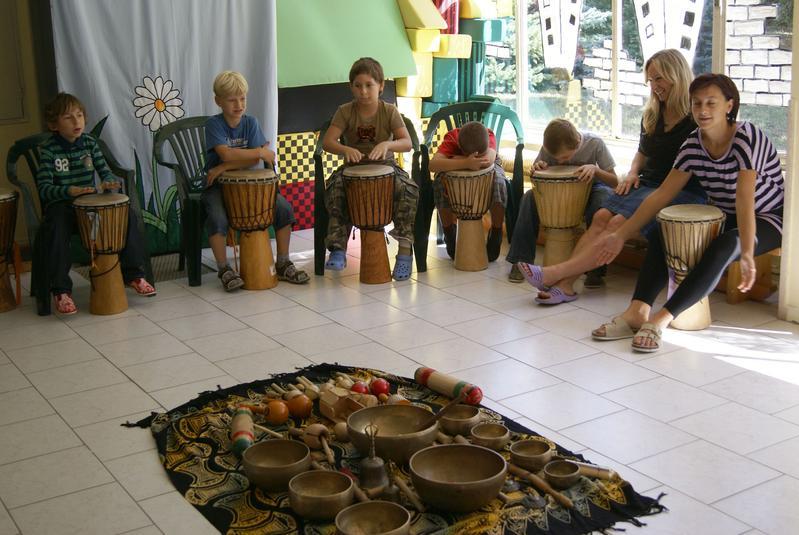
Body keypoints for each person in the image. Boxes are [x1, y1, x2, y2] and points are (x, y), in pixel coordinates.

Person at [591, 73, 784, 352]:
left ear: (729, 105)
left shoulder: (746, 137)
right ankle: (637, 311)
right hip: (725, 213)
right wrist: (621, 235)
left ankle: (661, 319)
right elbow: (662, 195)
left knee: (725, 244)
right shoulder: (693, 144)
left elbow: (745, 199)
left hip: (769, 217)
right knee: (663, 230)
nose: (703, 110)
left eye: (711, 103)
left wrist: (745, 253)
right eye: (697, 103)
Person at [516, 49, 706, 303]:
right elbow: (642, 152)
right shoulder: (653, 113)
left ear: (677, 75)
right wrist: (632, 173)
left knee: (616, 223)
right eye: (650, 80)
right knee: (601, 216)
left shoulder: (695, 118)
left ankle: (556, 276)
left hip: (680, 190)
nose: (654, 86)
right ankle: (565, 286)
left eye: (659, 78)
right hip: (648, 183)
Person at [36, 92, 156, 315]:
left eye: (79, 115)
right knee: (56, 226)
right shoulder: (49, 150)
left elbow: (105, 172)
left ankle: (134, 275)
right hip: (62, 206)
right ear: (53, 125)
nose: (76, 121)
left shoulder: (90, 143)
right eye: (68, 117)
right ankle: (61, 291)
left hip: (89, 207)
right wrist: (68, 191)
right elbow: (44, 189)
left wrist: (109, 182)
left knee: (127, 214)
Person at [204, 70, 309, 290]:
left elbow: (251, 161)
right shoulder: (214, 124)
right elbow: (227, 154)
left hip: (251, 186)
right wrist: (259, 152)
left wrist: (224, 166)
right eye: (232, 100)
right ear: (218, 101)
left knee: (284, 209)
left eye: (242, 98)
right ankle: (224, 269)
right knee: (216, 218)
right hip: (218, 186)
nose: (238, 104)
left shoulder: (251, 122)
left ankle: (283, 262)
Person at [322, 57, 419, 281]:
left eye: (369, 85)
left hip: (387, 168)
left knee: (409, 190)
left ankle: (405, 252)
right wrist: (345, 149)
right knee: (335, 190)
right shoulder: (345, 111)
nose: (363, 91)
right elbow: (328, 142)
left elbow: (407, 143)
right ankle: (338, 248)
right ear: (351, 87)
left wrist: (387, 145)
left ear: (381, 86)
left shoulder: (389, 111)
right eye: (358, 86)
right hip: (352, 169)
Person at [506, 118, 618, 295]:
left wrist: (595, 170)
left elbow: (615, 182)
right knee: (529, 198)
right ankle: (520, 260)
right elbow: (536, 175)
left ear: (578, 143)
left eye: (565, 158)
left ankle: (595, 269)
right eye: (556, 159)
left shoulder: (594, 143)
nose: (560, 161)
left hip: (591, 189)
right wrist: (537, 168)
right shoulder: (549, 147)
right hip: (558, 193)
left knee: (602, 201)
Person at [429, 121, 508, 262]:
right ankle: (449, 233)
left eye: (480, 154)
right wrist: (466, 162)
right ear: (459, 146)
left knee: (500, 183)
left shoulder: (488, 135)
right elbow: (433, 165)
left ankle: (496, 232)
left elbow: (488, 160)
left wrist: (458, 159)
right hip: (458, 169)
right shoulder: (452, 138)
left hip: (490, 169)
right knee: (439, 183)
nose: (476, 157)